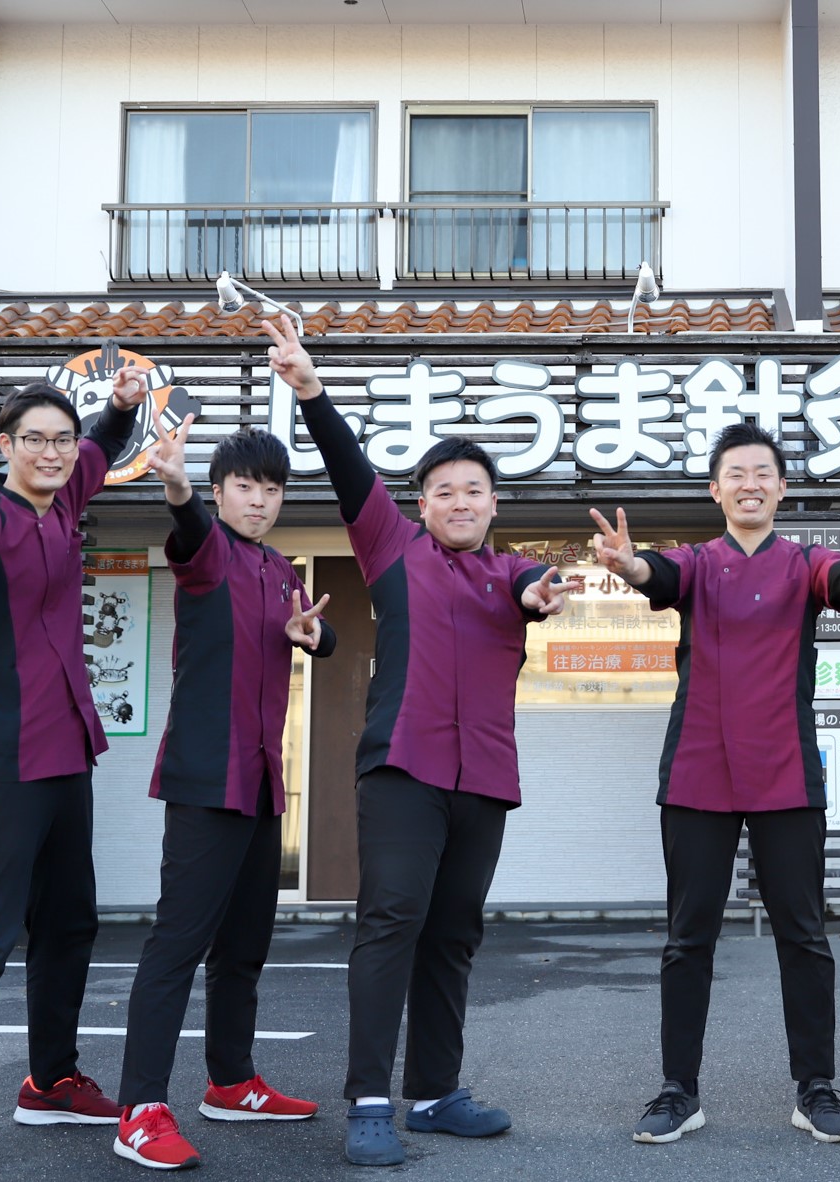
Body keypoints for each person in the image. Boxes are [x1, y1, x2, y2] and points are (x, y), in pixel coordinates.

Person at [266, 316, 583, 1167]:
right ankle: (370, 1101)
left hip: (483, 778)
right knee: (390, 925)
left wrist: (543, 598)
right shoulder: (391, 550)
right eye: (444, 490)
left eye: (474, 490)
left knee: (453, 936)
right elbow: (347, 467)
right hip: (401, 771)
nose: (460, 502)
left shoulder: (512, 571)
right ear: (421, 506)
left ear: (493, 503)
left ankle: (437, 1094)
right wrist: (309, 388)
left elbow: (532, 591)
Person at [589, 422, 840, 1147]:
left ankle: (817, 1087)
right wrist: (629, 563)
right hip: (698, 772)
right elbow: (657, 575)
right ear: (715, 489)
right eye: (734, 472)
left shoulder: (804, 561)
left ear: (781, 487)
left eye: (762, 472)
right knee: (688, 939)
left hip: (785, 775)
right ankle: (679, 1090)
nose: (749, 482)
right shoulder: (698, 562)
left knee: (804, 935)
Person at [0, 373, 146, 1175]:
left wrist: (117, 404)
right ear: (5, 446)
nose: (51, 452)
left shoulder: (65, 493)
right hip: (5, 759)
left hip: (68, 753)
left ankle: (49, 1080)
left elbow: (101, 445)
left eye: (59, 438)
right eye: (33, 439)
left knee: (69, 926)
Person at [111, 419, 338, 1170]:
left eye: (272, 489)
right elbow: (186, 529)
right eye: (245, 486)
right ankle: (140, 1109)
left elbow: (319, 632)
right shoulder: (207, 554)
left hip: (264, 780)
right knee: (178, 944)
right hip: (206, 780)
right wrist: (175, 486)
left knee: (243, 949)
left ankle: (232, 1081)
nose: (260, 501)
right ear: (219, 492)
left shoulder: (281, 568)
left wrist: (317, 636)